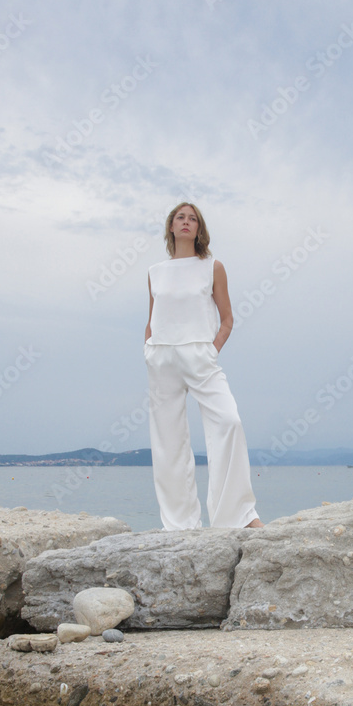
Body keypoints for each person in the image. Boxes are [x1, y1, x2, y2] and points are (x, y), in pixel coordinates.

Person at [144, 201, 263, 531]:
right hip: (162, 357)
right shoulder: (155, 272)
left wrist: (212, 350)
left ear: (199, 229)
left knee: (229, 421)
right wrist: (148, 347)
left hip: (200, 355)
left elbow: (227, 319)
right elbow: (151, 319)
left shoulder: (212, 266)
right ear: (171, 226)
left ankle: (238, 516)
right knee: (168, 440)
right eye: (180, 217)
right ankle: (179, 524)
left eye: (192, 218)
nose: (186, 222)